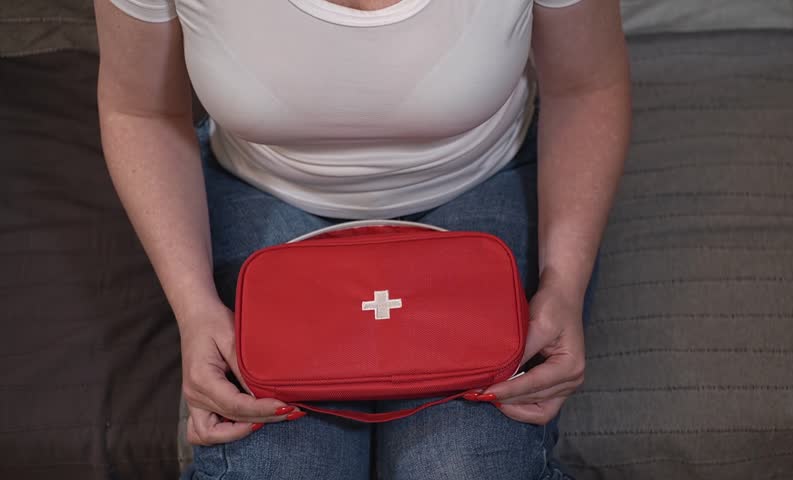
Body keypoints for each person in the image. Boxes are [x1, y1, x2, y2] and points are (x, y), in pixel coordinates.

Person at [94, 0, 630, 478]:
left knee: (464, 465)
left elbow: (586, 87)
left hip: (478, 179)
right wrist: (194, 308)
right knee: (272, 468)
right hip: (267, 189)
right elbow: (140, 110)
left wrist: (564, 285)